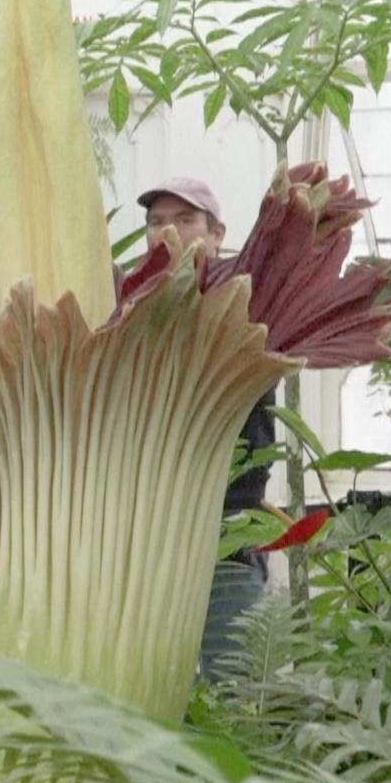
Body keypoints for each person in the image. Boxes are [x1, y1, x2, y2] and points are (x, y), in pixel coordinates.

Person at [136, 178, 276, 680]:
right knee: (152, 687)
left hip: (228, 532)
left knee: (234, 686)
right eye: (156, 222)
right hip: (147, 539)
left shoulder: (251, 303)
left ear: (218, 233)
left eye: (184, 219)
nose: (167, 231)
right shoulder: (132, 311)